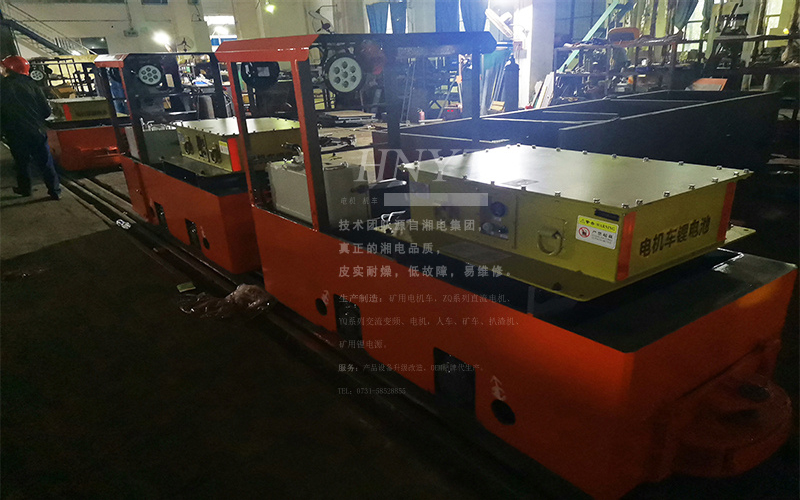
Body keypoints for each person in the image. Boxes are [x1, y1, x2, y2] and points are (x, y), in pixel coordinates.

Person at [0, 55, 61, 200]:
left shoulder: (2, 87)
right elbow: (46, 111)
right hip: (37, 131)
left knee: (21, 162)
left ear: (9, 69)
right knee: (45, 162)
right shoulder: (33, 85)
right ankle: (55, 191)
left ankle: (25, 189)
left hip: (15, 132)